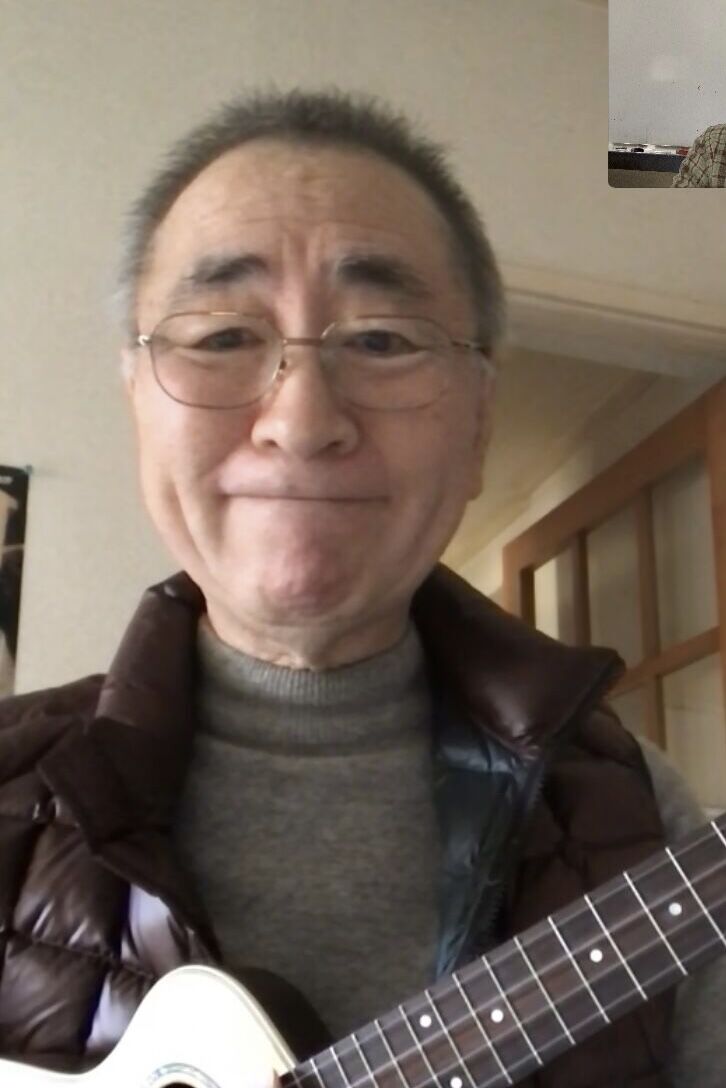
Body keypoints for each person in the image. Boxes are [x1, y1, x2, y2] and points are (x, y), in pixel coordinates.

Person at [0, 87, 723, 1086]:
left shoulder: (639, 817)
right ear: (136, 403)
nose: (301, 421)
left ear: (479, 422)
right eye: (222, 337)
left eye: (382, 339)